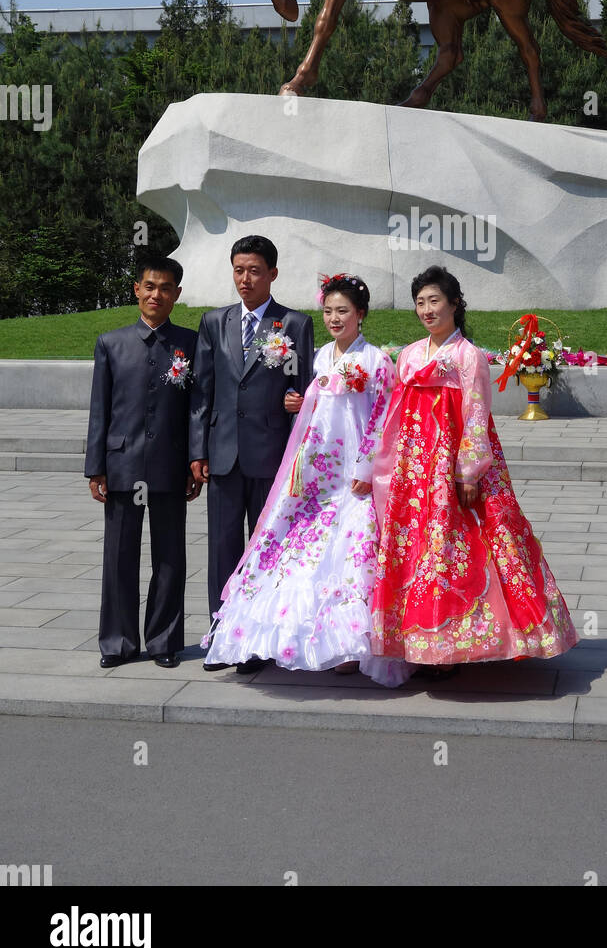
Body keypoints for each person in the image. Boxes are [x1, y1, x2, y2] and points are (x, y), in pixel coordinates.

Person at [203, 274, 411, 686]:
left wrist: (366, 467)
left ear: (361, 315)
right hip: (319, 469)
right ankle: (314, 637)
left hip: (355, 471)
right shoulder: (319, 358)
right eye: (329, 311)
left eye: (343, 312)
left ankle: (354, 644)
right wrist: (298, 402)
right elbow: (314, 408)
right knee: (308, 550)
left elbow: (385, 419)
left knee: (354, 550)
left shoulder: (377, 362)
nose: (335, 319)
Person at [371, 266, 577, 676]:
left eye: (435, 301)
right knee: (421, 546)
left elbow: (476, 413)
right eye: (420, 302)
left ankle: (463, 642)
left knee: (458, 546)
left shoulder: (469, 356)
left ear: (454, 304)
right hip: (416, 468)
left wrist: (469, 471)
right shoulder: (410, 355)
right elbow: (398, 412)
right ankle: (422, 638)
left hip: (455, 465)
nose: (427, 310)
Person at [189, 235, 314, 670]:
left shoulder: (294, 324)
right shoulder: (214, 321)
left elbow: (303, 383)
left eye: (255, 270)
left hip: (271, 453)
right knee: (223, 548)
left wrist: (297, 400)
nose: (245, 279)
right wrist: (197, 450)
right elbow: (203, 392)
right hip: (223, 454)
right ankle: (221, 637)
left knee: (265, 549)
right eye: (239, 270)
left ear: (273, 274)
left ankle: (257, 641)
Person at [85, 255, 200, 669]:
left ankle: (164, 640)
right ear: (136, 290)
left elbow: (196, 409)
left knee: (170, 557)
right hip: (121, 467)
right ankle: (117, 642)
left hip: (170, 467)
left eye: (166, 288)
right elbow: (100, 409)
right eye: (149, 286)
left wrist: (194, 460)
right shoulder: (111, 343)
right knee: (119, 558)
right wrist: (95, 466)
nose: (157, 294)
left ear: (177, 295)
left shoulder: (190, 343)